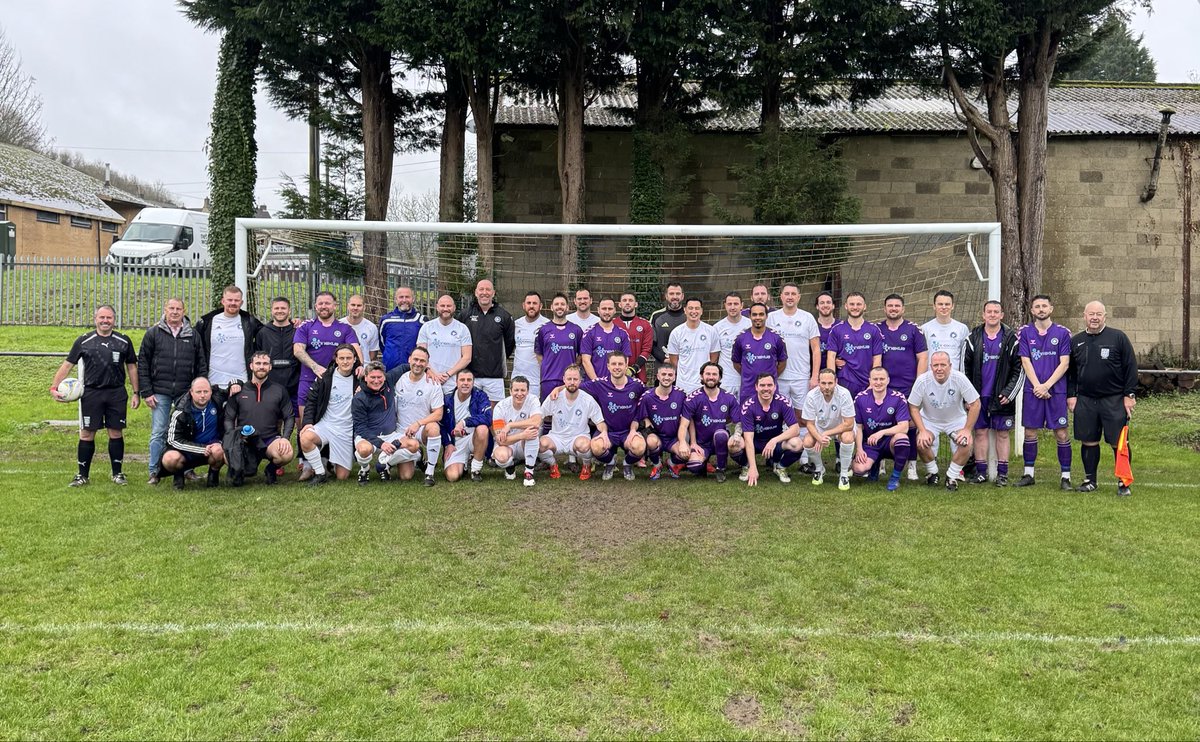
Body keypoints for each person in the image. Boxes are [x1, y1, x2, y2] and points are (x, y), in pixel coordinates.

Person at [51, 305, 140, 486]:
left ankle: (118, 474)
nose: (105, 321)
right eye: (102, 317)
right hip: (91, 393)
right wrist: (54, 387)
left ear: (114, 320)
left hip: (116, 392)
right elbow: (68, 365)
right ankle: (82, 475)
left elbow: (132, 367)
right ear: (95, 319)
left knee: (115, 432)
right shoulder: (84, 340)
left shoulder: (123, 341)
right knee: (86, 434)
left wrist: (136, 392)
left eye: (109, 318)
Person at [1067, 301, 1138, 496]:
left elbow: (1130, 367)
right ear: (1084, 316)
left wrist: (1129, 395)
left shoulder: (1118, 338)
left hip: (1114, 399)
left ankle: (1124, 482)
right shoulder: (1077, 341)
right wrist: (1071, 395)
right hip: (1086, 400)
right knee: (1088, 441)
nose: (1095, 317)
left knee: (1118, 442)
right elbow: (1070, 372)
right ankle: (1090, 480)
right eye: (1091, 314)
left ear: (1105, 316)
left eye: (1099, 314)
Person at [138, 297, 207, 484]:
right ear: (165, 310)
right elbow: (143, 363)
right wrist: (146, 391)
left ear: (184, 311)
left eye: (178, 309)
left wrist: (198, 390)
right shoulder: (153, 333)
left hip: (186, 392)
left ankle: (187, 470)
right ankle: (154, 471)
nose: (175, 312)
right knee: (159, 431)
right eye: (171, 308)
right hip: (159, 391)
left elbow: (201, 364)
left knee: (187, 432)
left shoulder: (192, 335)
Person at [1015, 294, 1074, 489]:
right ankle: (1028, 474)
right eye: (1037, 306)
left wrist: (1047, 385)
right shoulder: (1024, 332)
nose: (1041, 309)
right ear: (1032, 311)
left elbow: (1064, 363)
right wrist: (1038, 386)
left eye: (1044, 306)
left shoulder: (1063, 333)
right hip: (1033, 391)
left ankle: (1065, 476)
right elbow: (1026, 361)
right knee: (1030, 432)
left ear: (1051, 309)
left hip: (1055, 391)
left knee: (1062, 433)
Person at [962, 300, 1021, 486]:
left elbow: (1019, 369)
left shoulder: (1011, 338)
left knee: (1002, 434)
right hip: (979, 397)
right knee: (980, 432)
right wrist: (968, 395)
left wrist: (1009, 392)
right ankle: (981, 473)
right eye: (990, 311)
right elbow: (964, 368)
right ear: (983, 314)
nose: (993, 314)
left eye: (996, 311)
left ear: (1002, 315)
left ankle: (1002, 474)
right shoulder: (973, 337)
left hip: (1002, 396)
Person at [907, 351, 982, 491]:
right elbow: (913, 407)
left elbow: (976, 403)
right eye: (935, 365)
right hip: (930, 420)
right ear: (931, 366)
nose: (939, 368)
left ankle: (952, 476)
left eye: (943, 365)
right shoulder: (923, 380)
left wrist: (966, 430)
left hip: (955, 420)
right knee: (921, 442)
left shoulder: (959, 378)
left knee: (967, 443)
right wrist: (922, 430)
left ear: (950, 366)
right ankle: (933, 472)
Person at [223, 351, 296, 485]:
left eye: (265, 364)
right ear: (251, 366)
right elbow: (228, 418)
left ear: (270, 367)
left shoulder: (279, 390)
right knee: (227, 456)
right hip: (245, 440)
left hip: (269, 440)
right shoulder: (239, 390)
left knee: (287, 454)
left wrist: (285, 438)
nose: (261, 366)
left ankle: (271, 470)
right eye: (258, 363)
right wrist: (232, 437)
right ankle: (240, 472)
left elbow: (289, 416)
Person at [293, 291, 362, 425]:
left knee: (334, 423)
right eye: (320, 303)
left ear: (335, 306)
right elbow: (297, 350)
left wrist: (359, 365)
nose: (324, 306)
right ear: (315, 306)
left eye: (327, 303)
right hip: (308, 380)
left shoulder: (345, 329)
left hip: (336, 381)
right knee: (304, 425)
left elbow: (356, 351)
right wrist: (315, 367)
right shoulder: (306, 327)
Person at [298, 344, 360, 485]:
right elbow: (311, 401)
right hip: (326, 425)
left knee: (342, 476)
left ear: (355, 359)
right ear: (336, 360)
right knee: (306, 437)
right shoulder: (325, 377)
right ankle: (320, 473)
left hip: (346, 430)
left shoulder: (360, 379)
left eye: (349, 358)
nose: (345, 361)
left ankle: (333, 462)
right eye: (342, 358)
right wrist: (307, 423)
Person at [194, 285, 262, 410]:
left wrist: (292, 323)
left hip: (241, 382)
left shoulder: (249, 321)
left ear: (241, 302)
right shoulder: (208, 322)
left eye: (236, 300)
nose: (233, 303)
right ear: (223, 301)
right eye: (229, 300)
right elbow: (192, 340)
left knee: (239, 424)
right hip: (213, 383)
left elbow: (269, 333)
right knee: (214, 425)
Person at [581, 351, 647, 481]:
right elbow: (574, 386)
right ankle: (610, 463)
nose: (617, 367)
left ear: (626, 365)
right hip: (607, 432)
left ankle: (627, 464)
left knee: (640, 447)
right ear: (608, 366)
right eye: (614, 364)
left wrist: (638, 425)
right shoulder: (599, 384)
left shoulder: (636, 385)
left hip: (628, 432)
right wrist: (557, 390)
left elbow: (650, 397)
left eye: (620, 364)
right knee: (596, 447)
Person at [677, 362, 744, 483]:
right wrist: (686, 443)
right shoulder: (693, 398)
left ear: (720, 377)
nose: (711, 377)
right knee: (694, 466)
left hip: (721, 440)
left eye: (714, 374)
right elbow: (683, 425)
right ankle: (702, 465)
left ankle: (721, 468)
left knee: (720, 434)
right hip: (700, 443)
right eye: (708, 374)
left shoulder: (729, 397)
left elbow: (739, 422)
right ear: (702, 376)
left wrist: (737, 435)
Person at [537, 364, 606, 480]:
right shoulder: (554, 397)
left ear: (580, 381)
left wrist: (604, 433)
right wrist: (533, 430)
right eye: (569, 379)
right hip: (557, 437)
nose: (572, 382)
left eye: (575, 379)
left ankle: (586, 465)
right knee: (539, 445)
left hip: (578, 437)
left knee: (584, 445)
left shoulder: (588, 400)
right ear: (564, 379)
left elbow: (600, 422)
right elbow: (540, 416)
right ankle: (553, 465)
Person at [390, 346, 445, 486]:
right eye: (415, 359)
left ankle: (429, 472)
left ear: (427, 364)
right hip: (401, 430)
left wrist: (418, 423)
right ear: (409, 359)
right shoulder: (398, 379)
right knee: (406, 476)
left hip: (421, 429)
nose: (418, 363)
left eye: (422, 361)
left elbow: (438, 413)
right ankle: (418, 454)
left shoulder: (432, 383)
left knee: (433, 427)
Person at [852, 367, 912, 492]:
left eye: (882, 379)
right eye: (875, 379)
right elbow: (858, 426)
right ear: (870, 380)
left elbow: (904, 427)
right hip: (870, 443)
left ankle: (895, 478)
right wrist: (859, 449)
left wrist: (882, 432)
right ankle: (874, 466)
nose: (878, 382)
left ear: (888, 380)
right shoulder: (860, 398)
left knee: (902, 439)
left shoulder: (898, 398)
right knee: (859, 469)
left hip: (890, 442)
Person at [737, 374, 804, 486]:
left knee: (797, 443)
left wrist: (774, 441)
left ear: (775, 387)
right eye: (762, 385)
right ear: (756, 387)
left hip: (775, 443)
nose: (766, 388)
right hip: (755, 442)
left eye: (769, 385)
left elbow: (795, 429)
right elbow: (748, 439)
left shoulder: (783, 402)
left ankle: (780, 467)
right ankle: (747, 466)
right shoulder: (748, 406)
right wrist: (753, 468)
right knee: (734, 444)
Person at [160, 377, 224, 490]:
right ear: (191, 392)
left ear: (211, 392)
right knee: (170, 458)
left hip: (211, 448)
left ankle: (213, 475)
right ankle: (178, 476)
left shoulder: (217, 401)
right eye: (199, 392)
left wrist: (236, 383)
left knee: (219, 450)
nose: (203, 395)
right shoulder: (180, 411)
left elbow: (232, 391)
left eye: (206, 391)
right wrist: (201, 449)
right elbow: (172, 440)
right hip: (187, 451)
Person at [458, 279, 515, 404]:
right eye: (481, 289)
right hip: (470, 376)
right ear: (476, 292)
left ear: (493, 293)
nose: (484, 292)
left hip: (494, 377)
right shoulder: (465, 315)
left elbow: (509, 344)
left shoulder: (504, 316)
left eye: (488, 289)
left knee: (495, 416)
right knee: (471, 412)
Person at [799, 368, 856, 490]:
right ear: (818, 382)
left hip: (841, 427)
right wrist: (819, 437)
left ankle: (844, 474)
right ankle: (819, 469)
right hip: (820, 428)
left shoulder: (844, 393)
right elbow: (809, 423)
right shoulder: (811, 396)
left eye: (830, 383)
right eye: (823, 383)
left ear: (836, 382)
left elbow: (849, 424)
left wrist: (825, 433)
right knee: (807, 441)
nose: (826, 387)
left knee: (848, 437)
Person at [767, 283, 821, 410]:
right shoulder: (771, 318)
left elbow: (816, 349)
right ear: (781, 296)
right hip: (779, 376)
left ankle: (802, 431)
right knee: (779, 413)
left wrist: (814, 376)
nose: (790, 297)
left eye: (793, 294)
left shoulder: (807, 318)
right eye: (786, 294)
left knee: (802, 415)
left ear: (799, 297)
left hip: (801, 377)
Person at [351, 361, 404, 485]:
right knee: (364, 450)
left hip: (390, 434)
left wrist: (428, 370)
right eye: (372, 377)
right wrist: (381, 444)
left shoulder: (390, 379)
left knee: (413, 445)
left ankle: (384, 464)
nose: (376, 381)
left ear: (384, 377)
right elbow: (361, 428)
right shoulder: (359, 398)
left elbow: (404, 367)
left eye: (379, 377)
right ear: (365, 377)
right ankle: (364, 469)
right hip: (368, 436)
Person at [637, 363, 689, 480]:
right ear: (658, 376)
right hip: (657, 436)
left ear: (675, 377)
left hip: (674, 437)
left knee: (686, 454)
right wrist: (647, 423)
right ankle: (657, 465)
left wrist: (683, 441)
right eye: (663, 374)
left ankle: (671, 462)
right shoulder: (647, 397)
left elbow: (686, 417)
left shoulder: (681, 395)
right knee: (651, 441)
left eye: (670, 375)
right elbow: (641, 416)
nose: (666, 377)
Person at [441, 370, 494, 482]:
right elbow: (441, 425)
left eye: (469, 380)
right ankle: (465, 463)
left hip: (474, 438)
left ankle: (476, 469)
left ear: (473, 383)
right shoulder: (447, 399)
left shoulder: (480, 396)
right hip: (456, 442)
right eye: (462, 380)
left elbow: (488, 417)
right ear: (456, 382)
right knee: (452, 476)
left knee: (483, 428)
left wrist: (464, 422)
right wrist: (448, 443)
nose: (465, 383)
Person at [254, 296, 302, 419]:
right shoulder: (263, 332)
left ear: (289, 311)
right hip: (271, 384)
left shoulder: (298, 330)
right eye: (276, 308)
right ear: (271, 310)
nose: (280, 311)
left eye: (283, 308)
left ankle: (299, 438)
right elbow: (257, 359)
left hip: (294, 384)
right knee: (273, 422)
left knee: (299, 422)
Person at [826, 292, 882, 397]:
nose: (855, 307)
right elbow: (831, 356)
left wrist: (874, 381)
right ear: (846, 306)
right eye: (852, 304)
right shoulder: (837, 330)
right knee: (844, 413)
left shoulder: (873, 330)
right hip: (845, 381)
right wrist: (831, 380)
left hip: (867, 382)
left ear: (864, 306)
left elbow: (877, 359)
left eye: (859, 304)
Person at [491, 376, 543, 487]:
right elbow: (500, 441)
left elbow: (536, 422)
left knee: (533, 432)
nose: (519, 394)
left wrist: (510, 425)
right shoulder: (500, 407)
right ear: (510, 391)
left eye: (523, 390)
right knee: (501, 457)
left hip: (525, 444)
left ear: (528, 391)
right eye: (516, 390)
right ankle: (510, 465)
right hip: (508, 444)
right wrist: (522, 435)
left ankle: (529, 472)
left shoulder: (533, 400)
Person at [417, 294, 473, 394]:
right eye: (442, 306)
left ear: (454, 307)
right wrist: (431, 372)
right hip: (430, 381)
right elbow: (420, 355)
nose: (445, 309)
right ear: (437, 307)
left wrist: (448, 374)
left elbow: (467, 357)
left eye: (449, 306)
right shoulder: (427, 327)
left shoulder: (462, 328)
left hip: (453, 384)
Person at [731, 302, 787, 401]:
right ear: (749, 316)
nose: (758, 317)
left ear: (766, 316)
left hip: (769, 389)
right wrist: (748, 374)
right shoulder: (741, 338)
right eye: (754, 314)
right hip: (748, 389)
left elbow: (782, 363)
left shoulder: (776, 338)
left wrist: (769, 377)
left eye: (761, 314)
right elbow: (736, 364)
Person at [877, 294, 928, 397]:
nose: (893, 309)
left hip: (908, 387)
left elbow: (923, 358)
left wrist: (918, 385)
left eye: (897, 306)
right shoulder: (876, 329)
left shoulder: (914, 330)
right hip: (883, 387)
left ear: (903, 309)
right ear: (884, 309)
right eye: (890, 306)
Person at [534, 294, 582, 402]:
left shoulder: (576, 330)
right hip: (549, 379)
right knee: (548, 415)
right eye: (556, 304)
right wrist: (549, 366)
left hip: (569, 381)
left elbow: (581, 355)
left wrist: (573, 368)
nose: (559, 307)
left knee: (569, 411)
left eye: (562, 304)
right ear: (551, 307)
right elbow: (539, 354)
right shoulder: (543, 330)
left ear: (567, 307)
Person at [668, 297, 720, 393]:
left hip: (703, 383)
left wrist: (705, 373)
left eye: (697, 308)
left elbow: (714, 357)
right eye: (691, 308)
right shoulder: (676, 332)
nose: (694, 311)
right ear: (685, 310)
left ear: (701, 311)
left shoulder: (711, 331)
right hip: (683, 384)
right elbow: (673, 359)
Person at [580, 297, 632, 381]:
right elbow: (586, 361)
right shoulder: (589, 333)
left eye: (610, 309)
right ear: (598, 310)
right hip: (594, 384)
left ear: (615, 310)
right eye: (604, 309)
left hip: (615, 384)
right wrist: (597, 382)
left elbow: (625, 361)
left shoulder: (623, 334)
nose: (607, 312)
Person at [713, 292, 751, 400]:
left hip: (746, 380)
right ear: (725, 305)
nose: (733, 307)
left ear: (742, 305)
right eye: (729, 304)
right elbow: (714, 356)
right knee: (725, 414)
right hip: (726, 380)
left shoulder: (750, 325)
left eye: (736, 304)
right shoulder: (717, 328)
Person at [512, 291, 549, 399]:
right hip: (517, 379)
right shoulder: (516, 324)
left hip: (536, 380)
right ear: (524, 305)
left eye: (534, 303)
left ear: (540, 306)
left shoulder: (546, 326)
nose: (531, 306)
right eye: (528, 303)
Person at [921, 290, 969, 372]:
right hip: (932, 378)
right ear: (934, 306)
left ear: (952, 306)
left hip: (954, 379)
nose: (944, 307)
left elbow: (964, 357)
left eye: (947, 304)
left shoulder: (962, 328)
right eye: (940, 304)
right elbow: (922, 357)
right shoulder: (925, 329)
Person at [379, 286, 424, 372]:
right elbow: (382, 343)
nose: (404, 300)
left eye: (407, 297)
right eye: (401, 297)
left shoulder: (421, 320)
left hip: (413, 369)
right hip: (390, 368)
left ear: (413, 299)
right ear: (396, 299)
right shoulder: (386, 320)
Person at [616, 291, 655, 384]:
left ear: (636, 304)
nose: (627, 302)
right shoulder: (613, 324)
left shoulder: (645, 324)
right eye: (624, 300)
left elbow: (647, 350)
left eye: (630, 300)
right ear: (620, 304)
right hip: (616, 373)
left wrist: (635, 368)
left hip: (639, 374)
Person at [650, 282, 686, 363]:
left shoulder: (689, 316)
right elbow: (651, 344)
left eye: (678, 294)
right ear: (666, 296)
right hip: (663, 366)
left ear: (682, 296)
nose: (675, 297)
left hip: (685, 365)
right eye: (671, 294)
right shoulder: (656, 316)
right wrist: (664, 359)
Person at [341, 294, 381, 362]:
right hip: (343, 367)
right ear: (348, 306)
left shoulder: (371, 327)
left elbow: (372, 353)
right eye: (353, 305)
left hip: (364, 369)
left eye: (359, 305)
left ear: (364, 307)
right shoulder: (340, 325)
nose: (355, 308)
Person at [814, 291, 838, 357]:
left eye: (828, 302)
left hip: (836, 367)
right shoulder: (811, 326)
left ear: (833, 306)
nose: (825, 305)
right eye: (822, 303)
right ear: (817, 306)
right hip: (816, 367)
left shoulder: (841, 326)